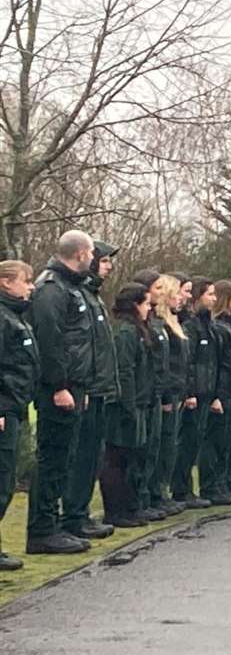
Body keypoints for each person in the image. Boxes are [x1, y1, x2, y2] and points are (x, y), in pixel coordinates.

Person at [27, 230, 100, 554]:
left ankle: (55, 524)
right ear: (81, 253)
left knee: (65, 458)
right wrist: (59, 386)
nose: (95, 258)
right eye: (93, 252)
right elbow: (50, 341)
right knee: (53, 458)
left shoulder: (74, 288)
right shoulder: (51, 289)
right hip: (59, 389)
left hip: (75, 386)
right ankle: (42, 530)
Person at [63, 239, 120, 542]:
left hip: (98, 389)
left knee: (92, 456)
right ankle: (72, 515)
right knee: (81, 455)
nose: (110, 267)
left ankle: (80, 513)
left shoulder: (93, 296)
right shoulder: (78, 294)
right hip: (84, 388)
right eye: (106, 260)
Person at [100, 281, 155, 527]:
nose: (149, 309)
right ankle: (116, 511)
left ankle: (130, 507)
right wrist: (129, 405)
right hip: (124, 406)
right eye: (146, 304)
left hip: (138, 402)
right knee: (117, 459)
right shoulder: (125, 332)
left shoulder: (136, 330)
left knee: (133, 457)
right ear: (135, 305)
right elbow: (125, 371)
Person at [0, 260, 41, 568]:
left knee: (7, 477)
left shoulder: (17, 317)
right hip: (5, 409)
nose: (31, 286)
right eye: (26, 281)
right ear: (5, 282)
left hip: (16, 406)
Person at [200, 280, 231, 506]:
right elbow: (219, 364)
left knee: (228, 440)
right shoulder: (218, 327)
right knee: (216, 441)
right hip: (222, 391)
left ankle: (222, 483)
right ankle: (211, 485)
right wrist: (217, 395)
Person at [144, 273, 189, 516]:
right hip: (165, 393)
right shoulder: (158, 324)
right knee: (159, 445)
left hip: (175, 392)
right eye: (176, 293)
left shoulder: (172, 322)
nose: (180, 298)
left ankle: (160, 491)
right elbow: (163, 363)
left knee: (169, 445)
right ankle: (153, 492)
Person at [170, 277, 216, 509]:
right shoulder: (190, 325)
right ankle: (180, 488)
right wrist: (190, 392)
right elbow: (188, 362)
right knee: (185, 443)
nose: (214, 299)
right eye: (209, 294)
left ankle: (186, 488)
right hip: (193, 394)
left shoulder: (204, 323)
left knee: (193, 443)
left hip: (204, 391)